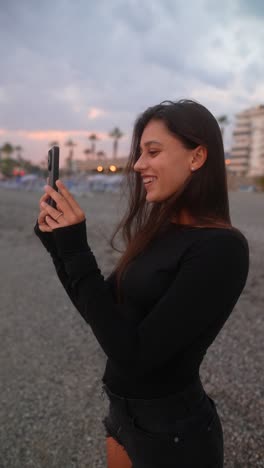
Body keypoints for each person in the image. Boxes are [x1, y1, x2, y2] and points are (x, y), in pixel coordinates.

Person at [34, 99, 249, 468]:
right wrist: (60, 247)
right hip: (123, 415)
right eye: (138, 153)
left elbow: (134, 357)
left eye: (152, 151)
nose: (137, 165)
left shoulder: (222, 249)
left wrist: (77, 251)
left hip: (174, 433)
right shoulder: (159, 231)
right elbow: (102, 314)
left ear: (197, 157)